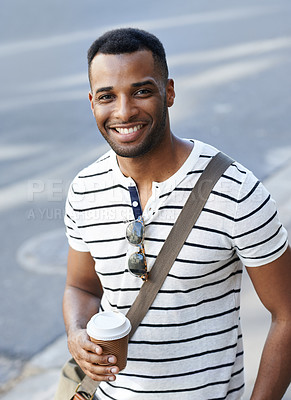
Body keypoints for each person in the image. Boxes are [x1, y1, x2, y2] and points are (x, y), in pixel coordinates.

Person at [60, 28, 291, 399]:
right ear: (92, 103)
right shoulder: (84, 190)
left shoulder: (235, 191)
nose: (123, 111)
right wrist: (76, 333)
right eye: (108, 96)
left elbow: (287, 313)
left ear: (168, 92)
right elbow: (81, 287)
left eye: (141, 91)